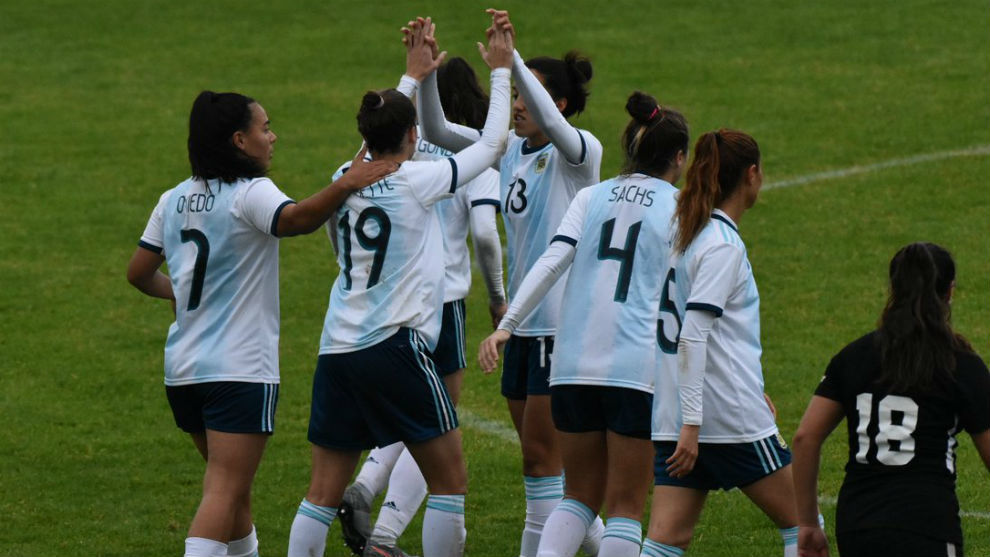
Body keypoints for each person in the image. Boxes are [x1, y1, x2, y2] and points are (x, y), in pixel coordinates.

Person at [126, 91, 395, 557]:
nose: (272, 137)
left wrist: (185, 292)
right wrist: (347, 185)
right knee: (224, 491)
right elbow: (296, 220)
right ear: (238, 140)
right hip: (239, 372)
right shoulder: (251, 192)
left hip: (184, 372)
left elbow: (139, 272)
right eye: (264, 128)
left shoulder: (173, 198)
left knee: (234, 491)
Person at [285, 16, 512, 557]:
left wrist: (411, 78)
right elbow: (494, 143)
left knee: (321, 492)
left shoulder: (345, 173)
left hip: (336, 345)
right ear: (414, 137)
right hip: (395, 346)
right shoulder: (419, 178)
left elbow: (373, 139)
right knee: (450, 482)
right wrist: (501, 73)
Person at [417, 10, 605, 556]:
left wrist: (511, 63)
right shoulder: (511, 151)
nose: (516, 105)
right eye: (515, 95)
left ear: (559, 106)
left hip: (562, 329)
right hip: (521, 327)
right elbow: (436, 132)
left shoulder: (581, 155)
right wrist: (427, 75)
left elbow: (548, 117)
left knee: (540, 462)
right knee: (541, 464)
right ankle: (618, 547)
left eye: (528, 97)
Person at [479, 92, 688, 557]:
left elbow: (552, 260)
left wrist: (506, 325)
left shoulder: (592, 196)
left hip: (570, 368)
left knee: (577, 497)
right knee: (626, 508)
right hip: (634, 370)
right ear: (678, 157)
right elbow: (691, 304)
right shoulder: (681, 209)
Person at [643, 129, 800, 557]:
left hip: (675, 416)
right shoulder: (723, 244)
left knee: (665, 542)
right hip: (723, 421)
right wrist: (695, 425)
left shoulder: (685, 236)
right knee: (804, 530)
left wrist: (688, 421)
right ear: (751, 175)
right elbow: (693, 336)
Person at [792, 243, 990, 557]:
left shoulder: (854, 356)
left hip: (857, 524)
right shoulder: (962, 364)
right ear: (949, 292)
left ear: (894, 289)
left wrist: (807, 524)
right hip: (927, 524)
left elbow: (805, 438)